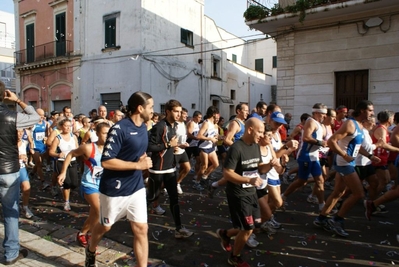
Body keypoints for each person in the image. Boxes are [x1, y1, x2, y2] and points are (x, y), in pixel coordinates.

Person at [85, 91, 153, 267]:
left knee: (141, 229)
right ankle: (91, 249)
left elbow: (136, 153)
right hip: (114, 189)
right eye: (151, 107)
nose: (153, 111)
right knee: (105, 226)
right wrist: (138, 165)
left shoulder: (144, 127)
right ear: (140, 108)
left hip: (136, 187)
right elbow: (107, 161)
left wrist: (141, 161)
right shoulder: (119, 128)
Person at [313, 100, 380, 237]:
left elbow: (357, 145)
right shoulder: (350, 124)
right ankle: (337, 220)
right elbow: (332, 141)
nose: (372, 113)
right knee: (359, 194)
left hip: (348, 162)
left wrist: (370, 156)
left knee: (338, 192)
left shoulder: (360, 126)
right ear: (362, 110)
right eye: (370, 110)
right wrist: (345, 155)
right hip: (344, 163)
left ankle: (321, 218)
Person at [216, 118, 265, 267]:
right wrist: (247, 180)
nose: (262, 135)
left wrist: (273, 164)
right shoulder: (236, 148)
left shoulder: (255, 145)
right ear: (250, 130)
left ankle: (225, 234)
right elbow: (227, 173)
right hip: (238, 194)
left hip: (252, 193)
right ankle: (234, 257)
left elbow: (260, 168)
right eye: (260, 131)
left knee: (255, 224)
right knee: (247, 229)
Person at [0, 81, 40, 264]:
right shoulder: (12, 116)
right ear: (4, 95)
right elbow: (35, 117)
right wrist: (18, 100)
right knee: (10, 213)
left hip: (8, 169)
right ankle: (11, 253)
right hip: (8, 170)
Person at [58, 122, 110, 247]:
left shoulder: (112, 148)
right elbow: (71, 154)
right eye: (104, 133)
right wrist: (63, 172)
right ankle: (92, 242)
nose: (107, 136)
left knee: (94, 213)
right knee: (100, 211)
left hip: (103, 185)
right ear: (97, 134)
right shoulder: (88, 148)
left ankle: (82, 233)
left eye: (109, 133)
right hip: (89, 185)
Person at [147, 99, 194, 238]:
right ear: (167, 111)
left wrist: (177, 145)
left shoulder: (175, 126)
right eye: (176, 111)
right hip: (157, 170)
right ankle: (136, 223)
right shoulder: (160, 126)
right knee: (152, 198)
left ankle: (179, 229)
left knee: (174, 199)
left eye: (180, 111)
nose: (179, 114)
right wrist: (168, 145)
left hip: (170, 169)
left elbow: (170, 144)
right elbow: (149, 147)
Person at [282, 103, 328, 212]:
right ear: (316, 112)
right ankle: (283, 196)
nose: (325, 116)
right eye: (323, 114)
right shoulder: (310, 121)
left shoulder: (320, 124)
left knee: (320, 180)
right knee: (301, 181)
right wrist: (320, 142)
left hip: (314, 156)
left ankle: (322, 205)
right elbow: (306, 137)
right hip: (306, 156)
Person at [49, 118, 79, 211]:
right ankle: (66, 202)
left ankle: (65, 190)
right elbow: (51, 152)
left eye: (70, 126)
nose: (68, 128)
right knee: (67, 183)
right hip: (61, 161)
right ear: (62, 126)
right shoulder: (58, 138)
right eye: (66, 126)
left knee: (74, 183)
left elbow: (77, 148)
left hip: (72, 161)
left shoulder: (73, 136)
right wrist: (58, 154)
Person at [194, 106, 220, 189]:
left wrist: (217, 136)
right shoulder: (206, 123)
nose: (218, 115)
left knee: (216, 164)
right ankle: (197, 182)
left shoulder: (214, 124)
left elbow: (212, 134)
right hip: (203, 147)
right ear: (213, 114)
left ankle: (204, 177)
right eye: (217, 113)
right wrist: (210, 138)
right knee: (204, 166)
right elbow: (199, 136)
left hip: (211, 147)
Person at [17, 128, 35, 219]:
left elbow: (25, 153)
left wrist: (26, 159)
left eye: (21, 132)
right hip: (10, 170)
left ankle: (25, 207)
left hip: (22, 168)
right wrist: (18, 156)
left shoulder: (24, 142)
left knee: (26, 188)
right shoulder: (8, 144)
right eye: (17, 132)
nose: (20, 134)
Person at [175, 107, 190, 195]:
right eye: (184, 114)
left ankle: (177, 183)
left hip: (182, 150)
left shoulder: (183, 124)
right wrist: (178, 145)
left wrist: (185, 144)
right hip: (175, 151)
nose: (186, 116)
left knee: (187, 168)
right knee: (170, 173)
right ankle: (163, 187)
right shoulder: (175, 125)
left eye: (186, 114)